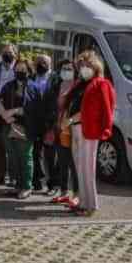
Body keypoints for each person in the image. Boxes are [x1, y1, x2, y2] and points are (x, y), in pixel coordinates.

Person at [68, 51, 116, 217]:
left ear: (95, 66)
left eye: (87, 65)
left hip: (89, 130)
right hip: (75, 128)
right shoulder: (79, 84)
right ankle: (82, 201)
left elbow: (107, 108)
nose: (84, 69)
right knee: (79, 167)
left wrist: (106, 129)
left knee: (88, 169)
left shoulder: (101, 84)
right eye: (81, 66)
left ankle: (91, 205)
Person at [0, 58, 33, 199]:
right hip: (7, 125)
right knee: (12, 156)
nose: (20, 72)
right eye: (18, 69)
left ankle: (26, 186)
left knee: (25, 157)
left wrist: (12, 112)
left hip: (24, 127)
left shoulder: (32, 87)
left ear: (29, 72)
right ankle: (17, 185)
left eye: (23, 70)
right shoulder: (8, 86)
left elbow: (31, 108)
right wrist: (4, 115)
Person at [25, 54, 57, 193]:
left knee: (51, 156)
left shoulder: (56, 79)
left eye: (43, 62)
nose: (40, 64)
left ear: (50, 63)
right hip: (35, 122)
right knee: (35, 154)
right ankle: (36, 182)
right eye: (37, 62)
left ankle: (52, 184)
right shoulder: (30, 78)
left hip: (50, 123)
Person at [0, 43, 19, 186]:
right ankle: (0, 176)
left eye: (10, 52)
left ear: (15, 54)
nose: (7, 54)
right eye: (5, 52)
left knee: (13, 148)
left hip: (13, 115)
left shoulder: (20, 69)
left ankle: (13, 178)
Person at [51, 60, 79, 207]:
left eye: (69, 69)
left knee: (73, 163)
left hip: (72, 129)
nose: (66, 71)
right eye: (64, 69)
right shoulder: (57, 86)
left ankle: (76, 194)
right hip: (58, 128)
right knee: (62, 162)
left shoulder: (78, 87)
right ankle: (63, 191)